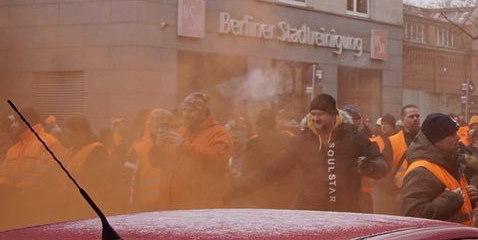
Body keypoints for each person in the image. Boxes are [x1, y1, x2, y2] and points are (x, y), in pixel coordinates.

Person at [229, 94, 387, 212]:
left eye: (321, 114)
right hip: (311, 213)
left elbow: (382, 163)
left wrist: (371, 167)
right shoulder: (303, 139)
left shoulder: (353, 136)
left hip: (345, 214)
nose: (316, 118)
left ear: (333, 115)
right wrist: (240, 189)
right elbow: (274, 169)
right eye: (313, 114)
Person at [0, 106, 75, 231]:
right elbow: (1, 172)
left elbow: (42, 176)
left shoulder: (48, 143)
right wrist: (2, 186)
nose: (12, 125)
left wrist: (16, 193)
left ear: (26, 122)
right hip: (19, 212)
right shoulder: (13, 149)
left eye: (15, 121)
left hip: (43, 214)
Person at [150, 92, 233, 210]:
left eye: (191, 111)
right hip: (172, 207)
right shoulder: (181, 131)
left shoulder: (219, 133)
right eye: (184, 110)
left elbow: (217, 161)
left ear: (203, 114)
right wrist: (158, 147)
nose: (186, 115)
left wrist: (185, 146)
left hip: (200, 209)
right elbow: (158, 162)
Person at [400, 113, 478, 224]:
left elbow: (456, 204)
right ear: (436, 141)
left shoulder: (451, 162)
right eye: (451, 135)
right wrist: (450, 201)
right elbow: (412, 214)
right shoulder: (421, 171)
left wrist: (467, 199)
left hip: (456, 238)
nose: (458, 137)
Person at [126, 108, 171, 212]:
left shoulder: (176, 144)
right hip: (146, 208)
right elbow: (129, 181)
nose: (161, 128)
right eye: (158, 124)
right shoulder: (137, 148)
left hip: (171, 205)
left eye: (165, 124)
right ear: (150, 125)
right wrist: (131, 207)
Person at [388, 104, 421, 190]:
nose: (415, 119)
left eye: (417, 116)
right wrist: (393, 193)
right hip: (399, 190)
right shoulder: (392, 141)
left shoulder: (428, 139)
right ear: (403, 120)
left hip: (421, 189)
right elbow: (386, 170)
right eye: (411, 116)